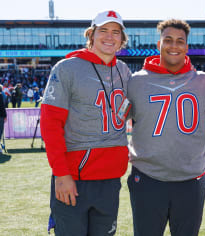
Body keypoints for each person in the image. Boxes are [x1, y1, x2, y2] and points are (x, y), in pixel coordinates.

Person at [40, 10, 131, 235]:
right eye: (103, 31)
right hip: (75, 177)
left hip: (110, 179)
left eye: (115, 32)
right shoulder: (67, 68)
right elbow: (50, 125)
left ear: (122, 39)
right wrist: (61, 174)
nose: (110, 37)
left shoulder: (124, 71)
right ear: (91, 34)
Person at [127, 19, 205, 236]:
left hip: (190, 180)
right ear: (159, 44)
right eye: (168, 40)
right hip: (147, 178)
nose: (173, 46)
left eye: (179, 41)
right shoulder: (136, 82)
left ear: (186, 47)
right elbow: (115, 121)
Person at [0, 85, 6, 153]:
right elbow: (2, 106)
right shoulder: (1, 95)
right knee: (0, 131)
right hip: (0, 116)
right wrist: (4, 115)